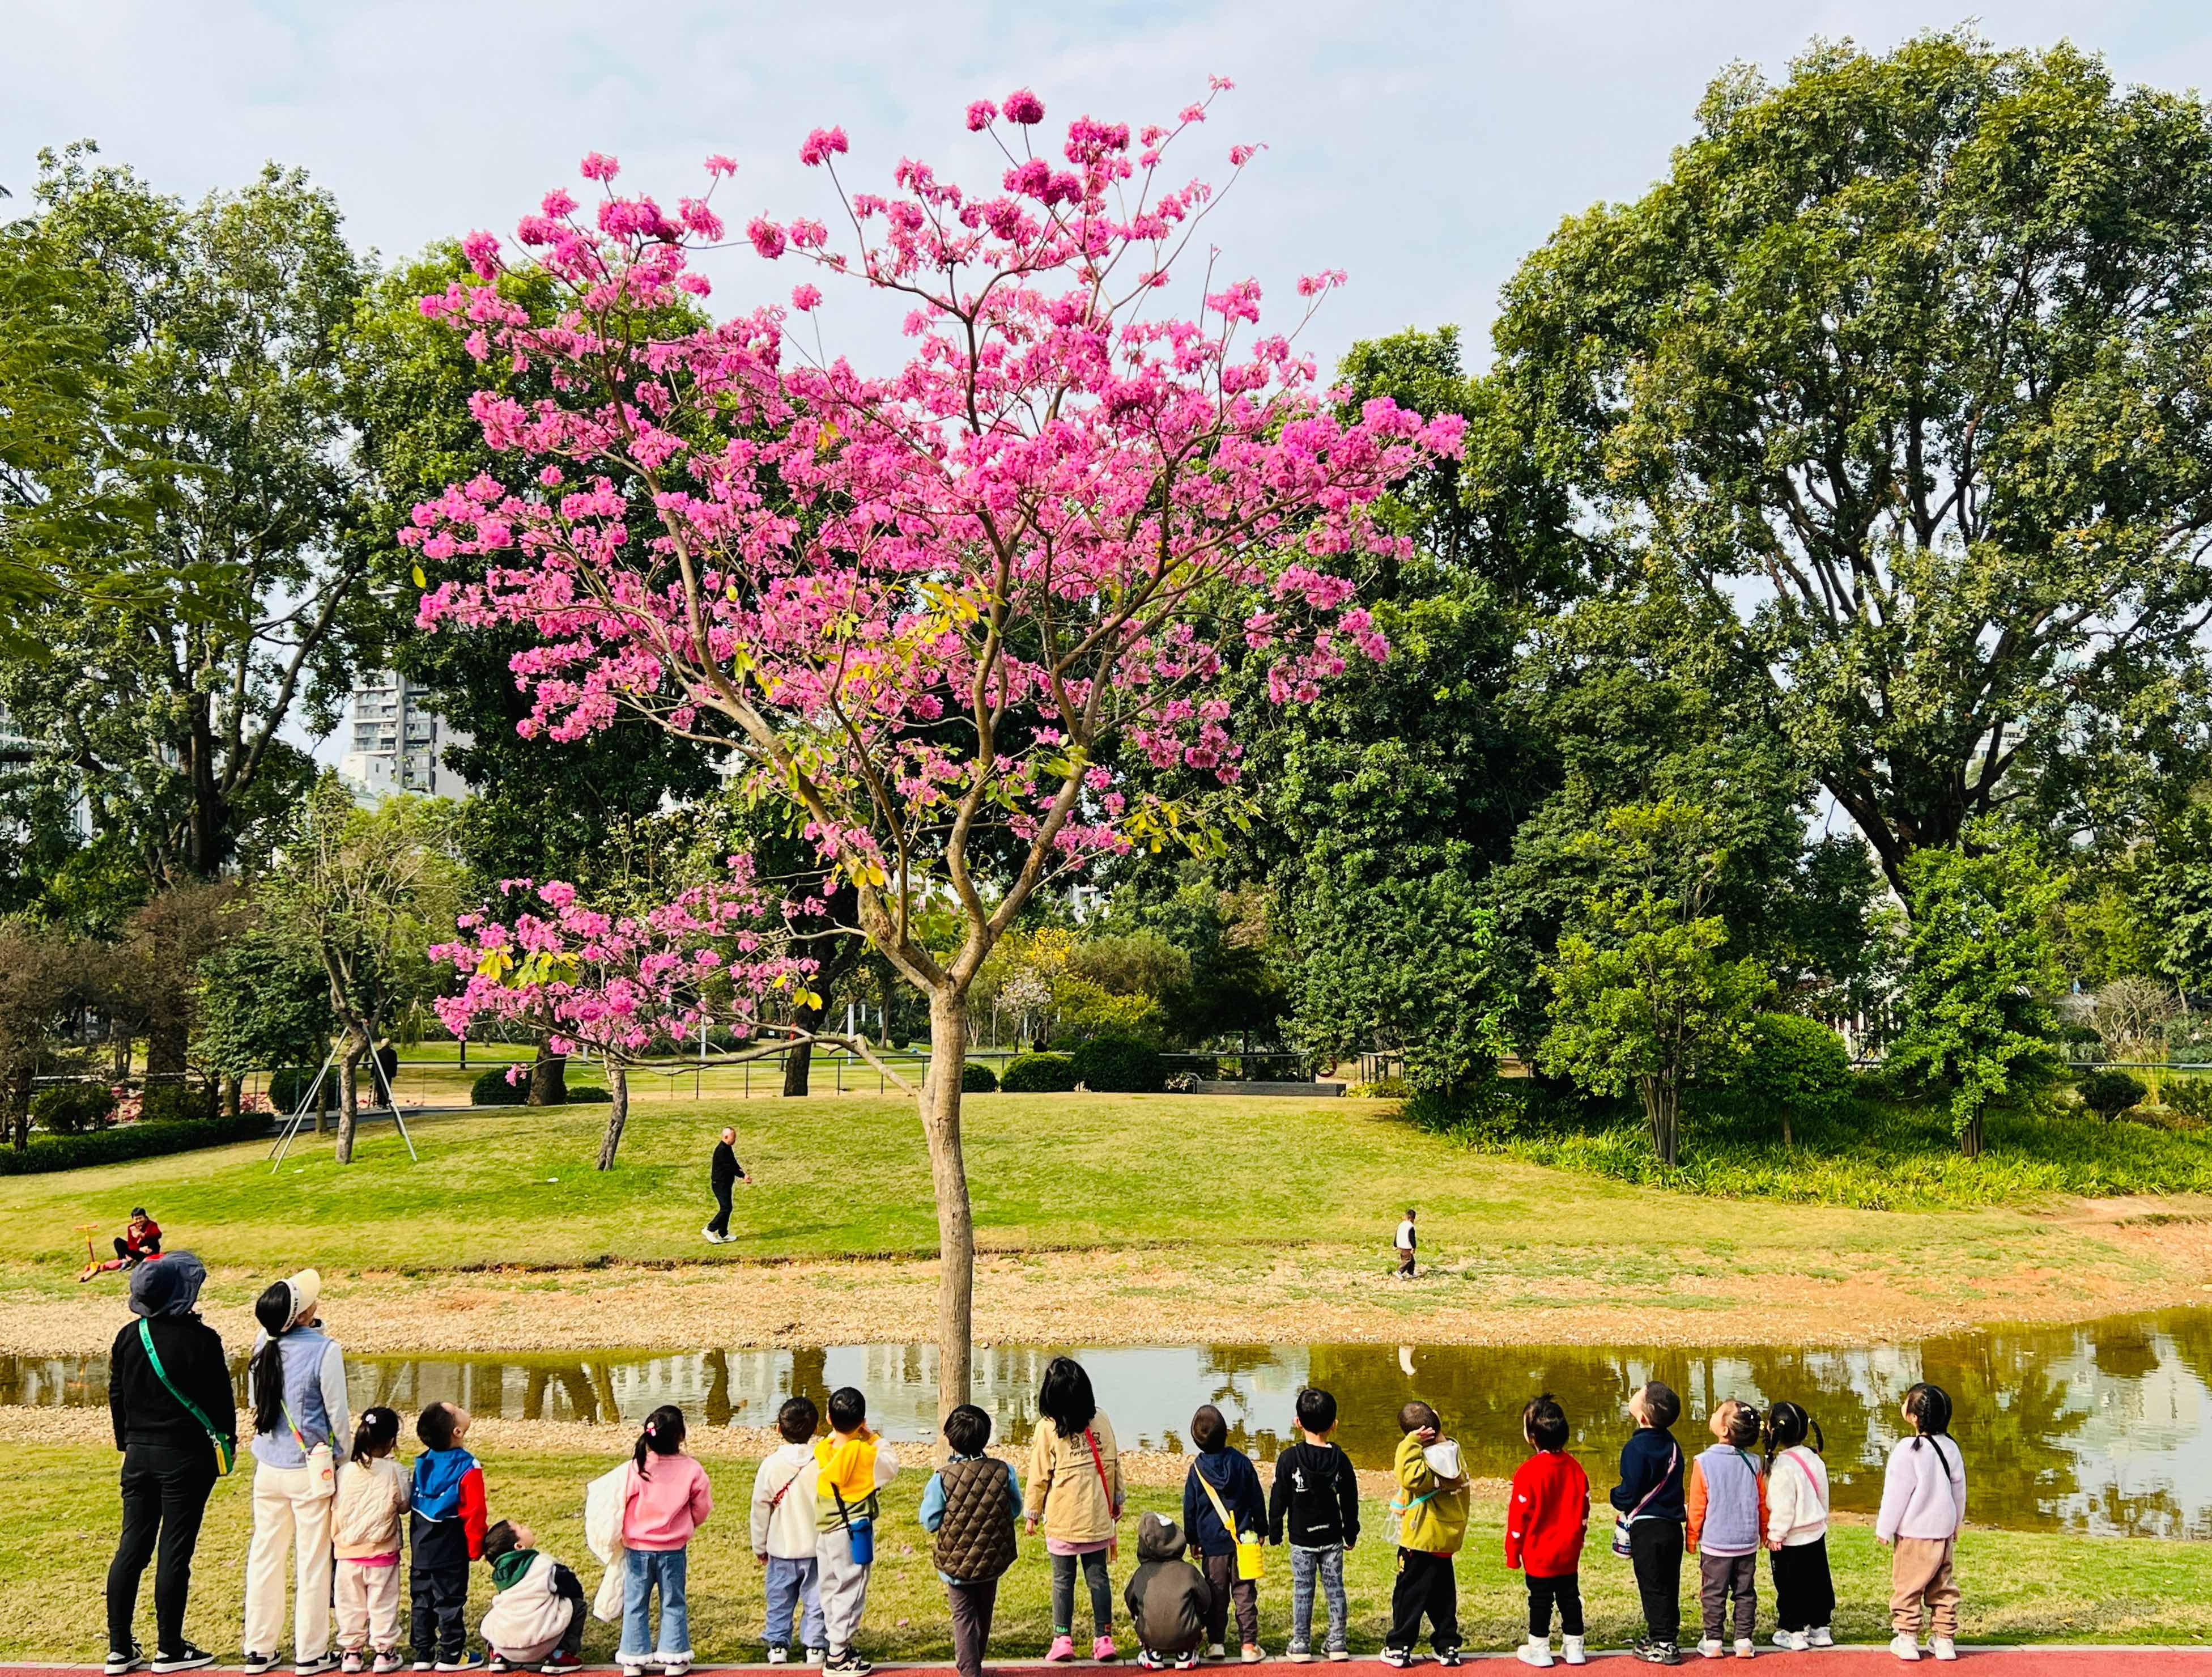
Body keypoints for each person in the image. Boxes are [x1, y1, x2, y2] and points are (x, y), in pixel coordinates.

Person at [105, 1250, 231, 1677]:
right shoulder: (203, 1338)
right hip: (185, 1455)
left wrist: (128, 1440)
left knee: (131, 1548)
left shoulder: (128, 1335)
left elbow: (117, 1396)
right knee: (174, 1551)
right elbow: (220, 1403)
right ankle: (169, 1648)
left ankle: (119, 1646)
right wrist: (225, 1446)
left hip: (139, 1453)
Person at [243, 1269, 351, 1677]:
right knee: (313, 1560)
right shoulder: (325, 1350)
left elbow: (259, 1400)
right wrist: (344, 1456)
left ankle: (259, 1646)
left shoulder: (263, 1342)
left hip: (269, 1464)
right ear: (305, 1314)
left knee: (265, 1555)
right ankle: (310, 1651)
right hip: (311, 1466)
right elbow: (337, 1415)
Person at [1024, 1356, 1123, 1665]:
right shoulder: (1102, 1420)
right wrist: (1116, 1500)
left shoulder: (1047, 1429)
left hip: (1064, 1522)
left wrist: (1033, 1512)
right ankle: (1103, 1637)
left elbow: (1039, 1475)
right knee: (1099, 1579)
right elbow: (1114, 1464)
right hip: (1096, 1518)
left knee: (1062, 1582)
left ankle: (1062, 1637)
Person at [918, 1403, 1022, 1677]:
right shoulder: (1004, 1471)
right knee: (984, 1611)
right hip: (992, 1559)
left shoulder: (942, 1478)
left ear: (951, 1440)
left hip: (956, 1563)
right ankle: (976, 1659)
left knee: (963, 1616)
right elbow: (1015, 1508)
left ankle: (969, 1670)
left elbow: (929, 1520)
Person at [1876, 1382, 1966, 1664]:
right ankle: (1944, 1639)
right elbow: (1959, 1490)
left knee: (1908, 1586)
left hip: (1914, 1533)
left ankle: (1907, 1638)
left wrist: (1885, 1528)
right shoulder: (1951, 1447)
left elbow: (1896, 1493)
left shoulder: (1908, 1449)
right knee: (1943, 1587)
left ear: (1914, 1417)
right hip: (1942, 1532)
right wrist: (1956, 1523)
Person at [1268, 1387, 1359, 1663]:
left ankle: (1300, 1643)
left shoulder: (1289, 1459)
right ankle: (1337, 1642)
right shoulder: (1340, 1459)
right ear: (1334, 1424)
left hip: (1301, 1539)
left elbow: (1278, 1497)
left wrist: (1275, 1530)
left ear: (1298, 1422)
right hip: (1331, 1536)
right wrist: (1351, 1530)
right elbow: (1350, 1498)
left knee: (1303, 1590)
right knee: (1335, 1589)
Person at [620, 1405, 712, 1677]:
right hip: (673, 1548)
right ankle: (674, 1658)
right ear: (681, 1436)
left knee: (636, 1601)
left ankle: (633, 1659)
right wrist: (688, 1524)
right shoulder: (693, 1469)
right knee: (673, 1601)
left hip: (638, 1549)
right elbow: (702, 1506)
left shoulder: (636, 1467)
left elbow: (622, 1502)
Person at [815, 1386, 897, 1677]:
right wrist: (873, 1436)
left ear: (828, 1418)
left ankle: (834, 1643)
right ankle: (838, 1655)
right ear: (862, 1420)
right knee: (853, 1589)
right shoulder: (865, 1454)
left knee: (830, 1586)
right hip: (853, 1531)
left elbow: (833, 1439)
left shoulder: (823, 1450)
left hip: (825, 1530)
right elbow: (891, 1465)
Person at [1382, 1400, 1469, 1670]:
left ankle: (1399, 1646)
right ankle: (1447, 1645)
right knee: (1443, 1597)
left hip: (1420, 1541)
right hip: (1445, 1541)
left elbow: (1407, 1476)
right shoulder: (1454, 1454)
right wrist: (1437, 1429)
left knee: (1409, 1595)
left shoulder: (1424, 1464)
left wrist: (1409, 1444)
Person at [1505, 1394, 1589, 1670]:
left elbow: (1519, 1519)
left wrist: (1512, 1553)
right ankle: (1575, 1645)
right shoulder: (1576, 1469)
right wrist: (1579, 1540)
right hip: (1568, 1551)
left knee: (1540, 1601)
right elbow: (1584, 1511)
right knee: (1569, 1598)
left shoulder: (1528, 1472)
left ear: (1532, 1437)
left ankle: (1539, 1648)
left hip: (1539, 1553)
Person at [1610, 1380, 1687, 1667]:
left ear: (1642, 1416)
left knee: (1652, 1585)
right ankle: (1668, 1633)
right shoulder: (1674, 1446)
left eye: (1639, 1393)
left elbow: (1628, 1493)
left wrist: (1614, 1496)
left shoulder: (1635, 1448)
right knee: (1669, 1583)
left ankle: (1663, 1642)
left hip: (1647, 1528)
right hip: (1671, 1527)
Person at [1184, 1404, 1266, 1663]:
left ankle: (1217, 1643)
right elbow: (1256, 1498)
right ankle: (1249, 1645)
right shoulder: (1241, 1462)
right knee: (1245, 1594)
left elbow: (1191, 1507)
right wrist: (1262, 1529)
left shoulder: (1197, 1470)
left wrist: (1192, 1539)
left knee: (1215, 1594)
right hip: (1244, 1541)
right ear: (1227, 1433)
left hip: (1212, 1544)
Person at [411, 1402, 488, 1673]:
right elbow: (475, 1512)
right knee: (449, 1602)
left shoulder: (422, 1462)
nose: (462, 1406)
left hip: (421, 1547)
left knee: (422, 1600)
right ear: (458, 1431)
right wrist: (476, 1547)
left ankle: (423, 1652)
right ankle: (452, 1654)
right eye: (456, 1408)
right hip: (451, 1548)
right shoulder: (469, 1466)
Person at [333, 1407, 410, 1675]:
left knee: (349, 1604)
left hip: (347, 1552)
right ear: (392, 1441)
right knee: (383, 1604)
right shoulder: (395, 1471)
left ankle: (352, 1652)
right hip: (382, 1552)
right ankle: (384, 1652)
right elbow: (404, 1505)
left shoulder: (344, 1471)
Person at [1687, 1400, 1766, 1660]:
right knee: (1745, 1592)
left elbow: (1698, 1505)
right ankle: (1744, 1640)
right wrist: (1764, 1532)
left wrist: (1692, 1536)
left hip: (1716, 1543)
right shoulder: (1755, 1462)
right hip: (1746, 1542)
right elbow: (1762, 1503)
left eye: (1716, 1413)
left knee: (1713, 1592)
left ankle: (1713, 1640)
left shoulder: (1704, 1462)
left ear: (1723, 1430)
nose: (1711, 1415)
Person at [751, 1395, 826, 1665]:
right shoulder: (823, 1463)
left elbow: (761, 1508)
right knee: (817, 1599)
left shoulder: (771, 1465)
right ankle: (816, 1645)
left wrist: (759, 1545)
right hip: (816, 1545)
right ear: (816, 1429)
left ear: (779, 1429)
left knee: (779, 1599)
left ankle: (778, 1644)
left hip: (781, 1547)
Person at [1762, 1403, 1834, 1653]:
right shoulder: (1814, 1458)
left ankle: (1793, 1631)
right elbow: (1823, 1493)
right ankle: (1821, 1627)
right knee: (1818, 1581)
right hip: (1815, 1532)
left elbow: (1783, 1507)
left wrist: (1775, 1534)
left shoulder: (1781, 1466)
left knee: (1790, 1585)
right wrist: (1822, 1519)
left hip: (1790, 1539)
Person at [479, 1518, 586, 1673]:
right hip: (542, 1644)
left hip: (505, 1646)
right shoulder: (544, 1565)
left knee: (494, 1617)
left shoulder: (499, 1574)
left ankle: (497, 1655)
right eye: (521, 1528)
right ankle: (561, 1654)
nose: (527, 1527)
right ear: (519, 1546)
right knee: (578, 1605)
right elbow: (573, 1588)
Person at [1124, 1513, 1211, 1672]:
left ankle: (1153, 1652)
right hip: (1187, 1633)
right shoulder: (1189, 1572)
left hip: (1149, 1634)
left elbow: (1130, 1600)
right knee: (1196, 1608)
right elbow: (1206, 1601)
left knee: (1139, 1610)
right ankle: (1186, 1652)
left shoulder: (1142, 1573)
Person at [84, 1208, 165, 1283]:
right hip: (139, 1252)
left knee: (151, 1240)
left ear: (145, 1217)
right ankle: (124, 1261)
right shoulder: (131, 1227)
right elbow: (131, 1245)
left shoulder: (152, 1225)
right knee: (118, 1241)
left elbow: (158, 1235)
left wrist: (143, 1235)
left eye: (140, 1218)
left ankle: (143, 1260)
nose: (138, 1221)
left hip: (151, 1251)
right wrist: (140, 1249)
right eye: (136, 1219)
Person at [703, 1128, 752, 1244]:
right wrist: (743, 1176)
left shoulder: (727, 1148)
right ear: (726, 1137)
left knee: (727, 1208)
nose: (735, 1140)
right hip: (720, 1184)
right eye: (733, 1137)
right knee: (726, 1208)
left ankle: (723, 1233)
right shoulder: (721, 1151)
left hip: (725, 1184)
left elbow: (733, 1163)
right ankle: (709, 1229)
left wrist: (743, 1174)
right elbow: (730, 1167)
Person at [1393, 1209, 1417, 1279]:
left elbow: (1397, 1234)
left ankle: (1411, 1273)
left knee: (1412, 1261)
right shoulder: (1410, 1226)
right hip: (1406, 1246)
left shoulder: (1401, 1224)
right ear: (1411, 1218)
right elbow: (1412, 1238)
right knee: (1407, 1260)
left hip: (1400, 1245)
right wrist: (1414, 1247)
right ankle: (1399, 1272)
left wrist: (1395, 1245)